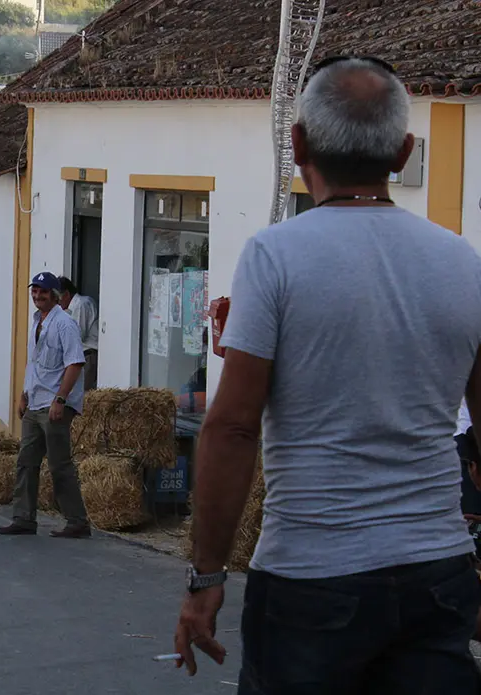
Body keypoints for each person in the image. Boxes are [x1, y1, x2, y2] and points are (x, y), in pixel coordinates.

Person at [173, 57, 481, 691]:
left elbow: (232, 429)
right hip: (437, 571)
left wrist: (206, 579)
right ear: (403, 152)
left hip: (312, 578)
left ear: (299, 144)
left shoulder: (275, 256)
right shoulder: (462, 262)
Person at [0, 271, 89, 539]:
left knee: (60, 464)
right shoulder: (37, 321)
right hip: (35, 401)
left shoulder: (65, 324)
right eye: (35, 291)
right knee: (26, 461)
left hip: (54, 404)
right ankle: (23, 517)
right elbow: (34, 363)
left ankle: (77, 521)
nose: (37, 296)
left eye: (43, 292)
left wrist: (61, 399)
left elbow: (75, 363)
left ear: (55, 295)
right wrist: (24, 394)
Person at [58, 277, 98, 391]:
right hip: (79, 357)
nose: (57, 302)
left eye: (57, 297)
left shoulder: (81, 304)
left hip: (87, 355)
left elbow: (78, 335)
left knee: (82, 395)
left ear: (66, 294)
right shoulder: (69, 309)